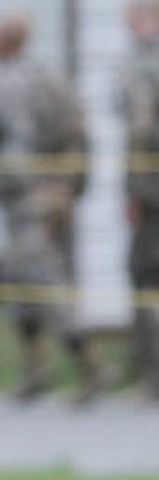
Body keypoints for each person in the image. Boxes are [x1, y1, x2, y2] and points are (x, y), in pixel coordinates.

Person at [0, 11, 111, 403]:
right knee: (42, 280)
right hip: (60, 196)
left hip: (24, 201)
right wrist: (76, 187)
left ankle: (90, 365)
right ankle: (35, 370)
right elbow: (83, 135)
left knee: (37, 284)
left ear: (4, 42)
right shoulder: (57, 81)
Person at [120, 1, 159, 399]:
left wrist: (133, 190)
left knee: (144, 275)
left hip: (152, 194)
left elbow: (140, 131)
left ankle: (152, 379)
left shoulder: (142, 67)